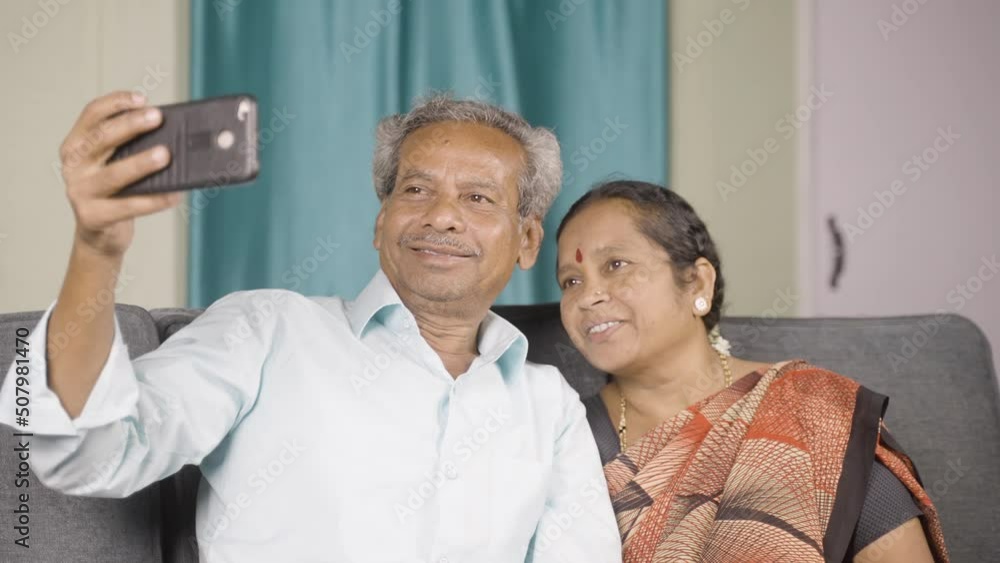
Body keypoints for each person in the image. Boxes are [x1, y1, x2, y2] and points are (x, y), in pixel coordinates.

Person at [0, 92, 622, 562]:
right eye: (415, 189)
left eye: (479, 199)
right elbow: (88, 452)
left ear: (528, 240)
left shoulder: (548, 404)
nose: (442, 217)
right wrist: (97, 248)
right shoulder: (266, 331)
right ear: (381, 223)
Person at [554, 180, 949, 562]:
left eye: (616, 264)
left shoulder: (811, 409)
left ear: (697, 282)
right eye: (570, 281)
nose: (588, 296)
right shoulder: (562, 432)